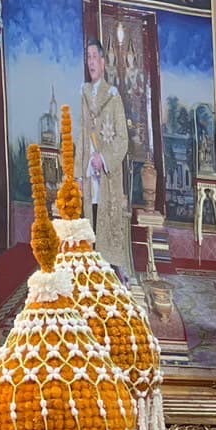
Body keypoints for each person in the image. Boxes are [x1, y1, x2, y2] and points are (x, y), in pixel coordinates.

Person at [79, 38, 133, 278]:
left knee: (107, 222)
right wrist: (79, 174)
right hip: (89, 175)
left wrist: (104, 159)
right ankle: (91, 274)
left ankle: (111, 274)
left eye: (94, 57)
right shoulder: (82, 94)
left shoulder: (113, 96)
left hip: (107, 177)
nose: (91, 62)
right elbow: (81, 135)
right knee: (88, 219)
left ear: (103, 62)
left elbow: (123, 139)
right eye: (88, 57)